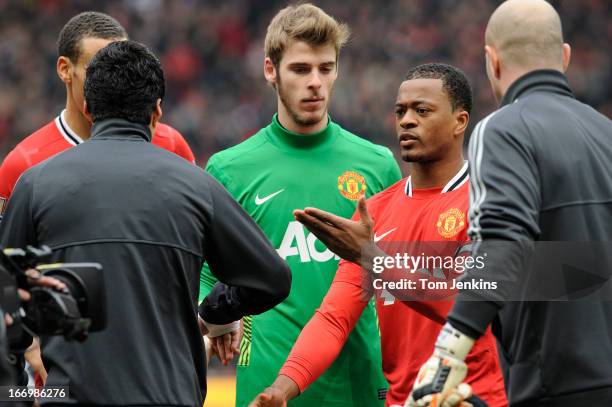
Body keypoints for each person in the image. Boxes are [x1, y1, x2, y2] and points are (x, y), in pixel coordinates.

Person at [0, 40, 291, 406]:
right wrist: (215, 310)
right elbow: (273, 279)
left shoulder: (35, 184)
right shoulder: (196, 186)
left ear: (88, 109)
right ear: (156, 113)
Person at [249, 64, 508, 407]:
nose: (406, 120)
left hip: (474, 399)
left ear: (460, 121)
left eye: (422, 110)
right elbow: (334, 318)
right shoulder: (376, 212)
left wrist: (373, 259)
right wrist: (282, 389)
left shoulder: (486, 203)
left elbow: (466, 303)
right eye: (400, 111)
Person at [409, 1, 612, 406]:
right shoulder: (607, 132)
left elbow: (502, 240)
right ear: (565, 57)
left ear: (492, 61)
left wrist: (449, 349)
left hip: (555, 384)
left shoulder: (503, 131)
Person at [199, 4, 401, 406]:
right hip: (266, 383)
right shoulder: (228, 169)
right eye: (300, 69)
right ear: (270, 71)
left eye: (326, 68)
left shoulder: (378, 165)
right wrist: (218, 321)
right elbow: (205, 275)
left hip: (360, 382)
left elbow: (399, 285)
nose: (315, 82)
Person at [0, 11, 195, 211]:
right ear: (65, 69)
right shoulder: (23, 164)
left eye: (122, 68)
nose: (111, 80)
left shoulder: (171, 144)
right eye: (96, 69)